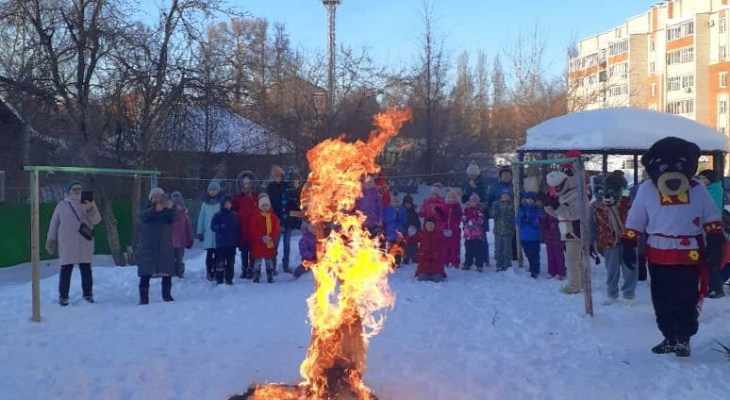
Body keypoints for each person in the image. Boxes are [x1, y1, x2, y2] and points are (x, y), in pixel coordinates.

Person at [622, 137, 725, 357]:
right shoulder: (648, 190)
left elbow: (711, 216)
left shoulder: (697, 188)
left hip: (690, 252)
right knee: (661, 297)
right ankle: (669, 337)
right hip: (659, 252)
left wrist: (716, 240)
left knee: (686, 297)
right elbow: (635, 218)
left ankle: (684, 338)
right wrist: (628, 242)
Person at [45, 181, 102, 306]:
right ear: (69, 191)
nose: (78, 191)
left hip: (84, 242)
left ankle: (88, 295)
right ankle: (63, 297)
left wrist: (91, 209)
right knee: (66, 269)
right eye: (75, 189)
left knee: (86, 269)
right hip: (67, 243)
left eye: (80, 189)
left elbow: (97, 220)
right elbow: (54, 223)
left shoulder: (88, 203)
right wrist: (50, 239)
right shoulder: (62, 205)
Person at [589, 171, 635, 305]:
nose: (607, 196)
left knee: (630, 267)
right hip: (608, 242)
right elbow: (591, 226)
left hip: (628, 241)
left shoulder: (626, 203)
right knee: (611, 270)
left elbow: (637, 219)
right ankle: (612, 294)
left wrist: (623, 183)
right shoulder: (595, 208)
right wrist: (591, 242)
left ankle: (629, 294)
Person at [544, 170, 585, 294]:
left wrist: (557, 206)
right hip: (567, 231)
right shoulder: (564, 194)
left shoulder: (577, 194)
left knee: (572, 261)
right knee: (576, 260)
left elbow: (574, 214)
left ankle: (574, 286)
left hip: (576, 231)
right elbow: (559, 215)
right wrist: (548, 205)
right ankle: (580, 282)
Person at [137, 188, 177, 304]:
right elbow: (143, 217)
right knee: (145, 273)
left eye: (160, 196)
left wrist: (172, 208)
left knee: (166, 272)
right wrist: (154, 210)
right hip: (148, 247)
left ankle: (167, 295)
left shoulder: (167, 211)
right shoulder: (147, 209)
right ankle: (144, 298)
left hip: (165, 246)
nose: (158, 199)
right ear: (150, 198)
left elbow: (175, 218)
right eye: (155, 196)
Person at [698, 169, 725, 299]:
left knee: (711, 259)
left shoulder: (713, 192)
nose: (701, 180)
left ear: (709, 179)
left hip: (712, 230)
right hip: (712, 229)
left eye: (702, 178)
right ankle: (714, 285)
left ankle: (717, 287)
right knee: (710, 258)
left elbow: (708, 211)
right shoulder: (713, 190)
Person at [232, 170, 259, 279]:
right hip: (243, 228)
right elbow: (234, 211)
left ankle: (251, 269)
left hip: (254, 228)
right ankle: (244, 269)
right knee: (244, 251)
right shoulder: (238, 198)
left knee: (252, 250)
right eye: (245, 184)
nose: (247, 186)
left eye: (249, 183)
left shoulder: (256, 197)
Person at [249, 195, 281, 283]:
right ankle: (256, 276)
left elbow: (276, 228)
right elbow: (253, 229)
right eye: (263, 205)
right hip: (259, 243)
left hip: (269, 242)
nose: (265, 207)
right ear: (260, 206)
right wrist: (261, 237)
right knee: (258, 261)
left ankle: (270, 275)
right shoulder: (256, 217)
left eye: (266, 205)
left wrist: (270, 236)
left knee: (269, 261)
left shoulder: (273, 217)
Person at [197, 179, 225, 281]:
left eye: (214, 190)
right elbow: (201, 217)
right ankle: (209, 271)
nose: (212, 192)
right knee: (209, 254)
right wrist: (200, 231)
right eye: (210, 190)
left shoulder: (221, 202)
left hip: (218, 234)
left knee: (218, 254)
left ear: (218, 191)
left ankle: (217, 271)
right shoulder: (205, 203)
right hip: (208, 233)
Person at [488, 166, 517, 261]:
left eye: (508, 174)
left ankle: (514, 255)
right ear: (500, 176)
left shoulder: (515, 184)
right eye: (504, 174)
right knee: (500, 238)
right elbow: (490, 198)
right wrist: (491, 210)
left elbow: (521, 195)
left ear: (511, 175)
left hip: (512, 214)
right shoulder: (495, 186)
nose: (506, 176)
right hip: (499, 215)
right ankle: (499, 256)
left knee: (512, 236)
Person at [210, 196, 241, 285]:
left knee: (231, 262)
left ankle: (229, 279)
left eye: (229, 204)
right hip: (221, 243)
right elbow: (212, 226)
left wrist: (237, 240)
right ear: (222, 204)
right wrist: (220, 227)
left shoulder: (234, 215)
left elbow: (237, 228)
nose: (228, 205)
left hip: (232, 244)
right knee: (220, 262)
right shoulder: (218, 215)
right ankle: (219, 279)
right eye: (226, 204)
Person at [265, 165, 287, 274]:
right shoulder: (270, 187)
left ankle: (286, 266)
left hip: (286, 218)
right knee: (274, 244)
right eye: (276, 176)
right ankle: (272, 267)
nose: (278, 178)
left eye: (279, 176)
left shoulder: (285, 186)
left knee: (287, 245)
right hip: (274, 218)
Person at [410, 217, 447, 282]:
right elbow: (412, 240)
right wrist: (411, 235)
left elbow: (446, 243)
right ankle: (425, 273)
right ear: (425, 225)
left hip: (436, 264)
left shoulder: (439, 234)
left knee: (438, 279)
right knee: (421, 278)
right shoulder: (421, 234)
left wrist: (447, 237)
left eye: (431, 224)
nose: (430, 226)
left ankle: (436, 274)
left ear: (435, 225)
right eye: (428, 224)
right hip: (424, 264)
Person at [516, 191, 543, 278]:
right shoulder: (522, 209)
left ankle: (535, 270)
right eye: (528, 198)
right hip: (524, 236)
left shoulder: (537, 209)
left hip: (534, 236)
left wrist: (530, 220)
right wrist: (523, 220)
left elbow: (538, 221)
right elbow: (517, 220)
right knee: (528, 253)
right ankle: (532, 267)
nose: (529, 200)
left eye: (531, 199)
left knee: (534, 254)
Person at [282, 173, 303, 274]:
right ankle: (284, 265)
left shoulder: (300, 192)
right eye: (294, 181)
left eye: (298, 181)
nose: (296, 183)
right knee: (285, 244)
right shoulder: (288, 193)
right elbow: (287, 208)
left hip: (297, 221)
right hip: (287, 221)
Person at [491, 188, 515, 271]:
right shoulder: (496, 204)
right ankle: (499, 263)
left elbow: (513, 216)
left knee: (507, 248)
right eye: (503, 194)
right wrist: (496, 210)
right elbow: (493, 215)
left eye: (506, 194)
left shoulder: (512, 204)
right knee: (498, 248)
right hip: (498, 230)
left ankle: (507, 264)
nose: (504, 196)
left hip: (508, 230)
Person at [170, 192, 193, 278]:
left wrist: (190, 239)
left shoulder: (185, 216)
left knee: (180, 258)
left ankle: (180, 272)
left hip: (181, 242)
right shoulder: (170, 216)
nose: (177, 207)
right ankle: (172, 272)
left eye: (179, 205)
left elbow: (189, 229)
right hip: (171, 242)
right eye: (175, 205)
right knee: (171, 258)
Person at [462, 193, 486, 271]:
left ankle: (479, 264)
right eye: (471, 201)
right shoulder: (466, 210)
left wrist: (473, 219)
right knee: (468, 250)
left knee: (478, 250)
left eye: (474, 201)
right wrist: (465, 218)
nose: (472, 203)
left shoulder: (479, 210)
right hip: (468, 234)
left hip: (477, 234)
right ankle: (467, 263)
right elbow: (463, 219)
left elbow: (481, 221)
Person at [355, 175, 384, 239]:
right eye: (367, 182)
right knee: (362, 239)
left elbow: (380, 207)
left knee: (374, 239)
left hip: (374, 221)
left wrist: (380, 220)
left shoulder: (376, 193)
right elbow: (356, 205)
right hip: (362, 221)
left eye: (370, 182)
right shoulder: (360, 192)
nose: (369, 183)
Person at [383, 194, 407, 267]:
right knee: (391, 247)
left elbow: (404, 220)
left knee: (398, 247)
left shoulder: (402, 210)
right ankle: (390, 261)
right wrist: (393, 217)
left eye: (397, 201)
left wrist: (399, 217)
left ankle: (398, 261)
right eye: (394, 201)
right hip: (391, 231)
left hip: (399, 232)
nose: (395, 203)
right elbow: (386, 219)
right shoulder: (388, 209)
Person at [442, 189, 463, 268]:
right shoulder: (445, 207)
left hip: (454, 230)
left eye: (453, 198)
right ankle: (445, 261)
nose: (451, 199)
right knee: (445, 246)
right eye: (450, 198)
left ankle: (455, 262)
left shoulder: (457, 207)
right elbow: (442, 217)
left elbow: (459, 216)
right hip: (445, 229)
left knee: (455, 246)